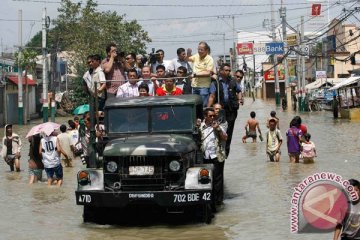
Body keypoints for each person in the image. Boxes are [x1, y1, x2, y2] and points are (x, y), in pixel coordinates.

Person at [208, 63, 241, 156]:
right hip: (220, 111)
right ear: (221, 71)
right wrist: (208, 108)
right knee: (219, 129)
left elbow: (239, 91)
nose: (228, 72)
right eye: (226, 70)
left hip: (232, 110)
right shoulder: (215, 82)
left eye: (229, 70)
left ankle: (226, 151)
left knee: (229, 131)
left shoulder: (233, 81)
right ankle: (217, 149)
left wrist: (239, 100)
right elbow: (212, 95)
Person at [200, 107, 227, 206]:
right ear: (205, 117)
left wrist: (218, 130)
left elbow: (225, 138)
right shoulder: (200, 126)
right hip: (205, 157)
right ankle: (208, 201)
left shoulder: (218, 126)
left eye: (214, 116)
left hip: (216, 156)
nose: (212, 117)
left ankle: (218, 201)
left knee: (217, 180)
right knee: (205, 179)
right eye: (210, 116)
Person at [187, 41, 215, 107]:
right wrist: (188, 53)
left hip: (203, 87)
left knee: (202, 106)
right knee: (194, 106)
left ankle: (203, 117)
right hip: (194, 86)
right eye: (198, 49)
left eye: (201, 50)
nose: (199, 51)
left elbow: (208, 72)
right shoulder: (196, 56)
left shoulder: (209, 59)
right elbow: (187, 59)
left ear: (206, 50)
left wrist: (195, 75)